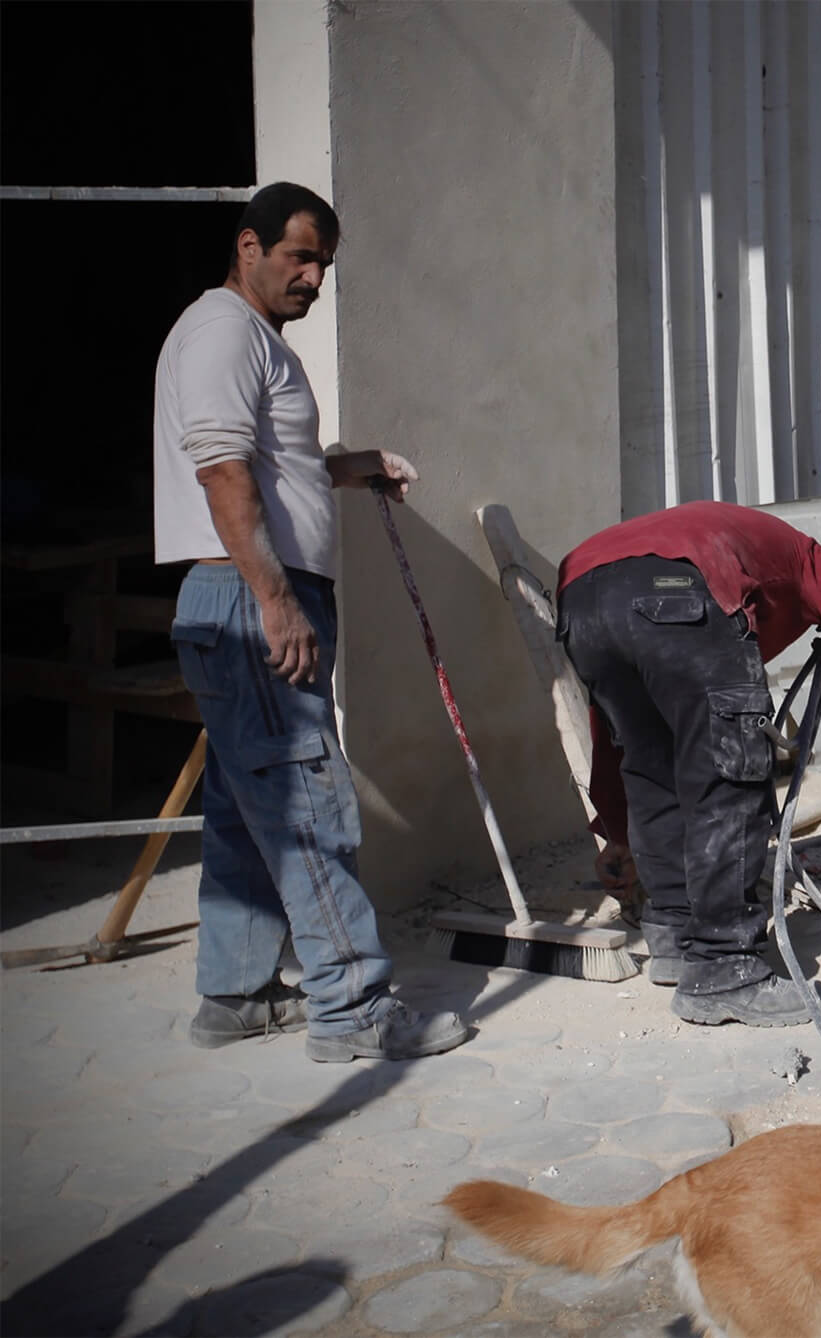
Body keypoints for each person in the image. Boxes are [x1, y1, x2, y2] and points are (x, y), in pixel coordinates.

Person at [156, 182, 469, 1062]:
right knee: (306, 807)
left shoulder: (249, 339)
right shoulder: (222, 331)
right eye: (298, 257)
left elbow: (266, 465)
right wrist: (277, 601)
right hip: (251, 606)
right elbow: (223, 475)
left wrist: (346, 467)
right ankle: (355, 1012)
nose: (313, 277)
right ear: (248, 246)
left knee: (242, 809)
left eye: (323, 263)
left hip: (246, 603)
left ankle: (238, 995)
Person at [558, 504, 821, 1028]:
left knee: (650, 762)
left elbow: (614, 743)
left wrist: (616, 829)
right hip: (683, 586)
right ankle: (723, 968)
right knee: (729, 772)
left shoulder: (707, 532)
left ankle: (675, 938)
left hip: (579, 596)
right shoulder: (799, 553)